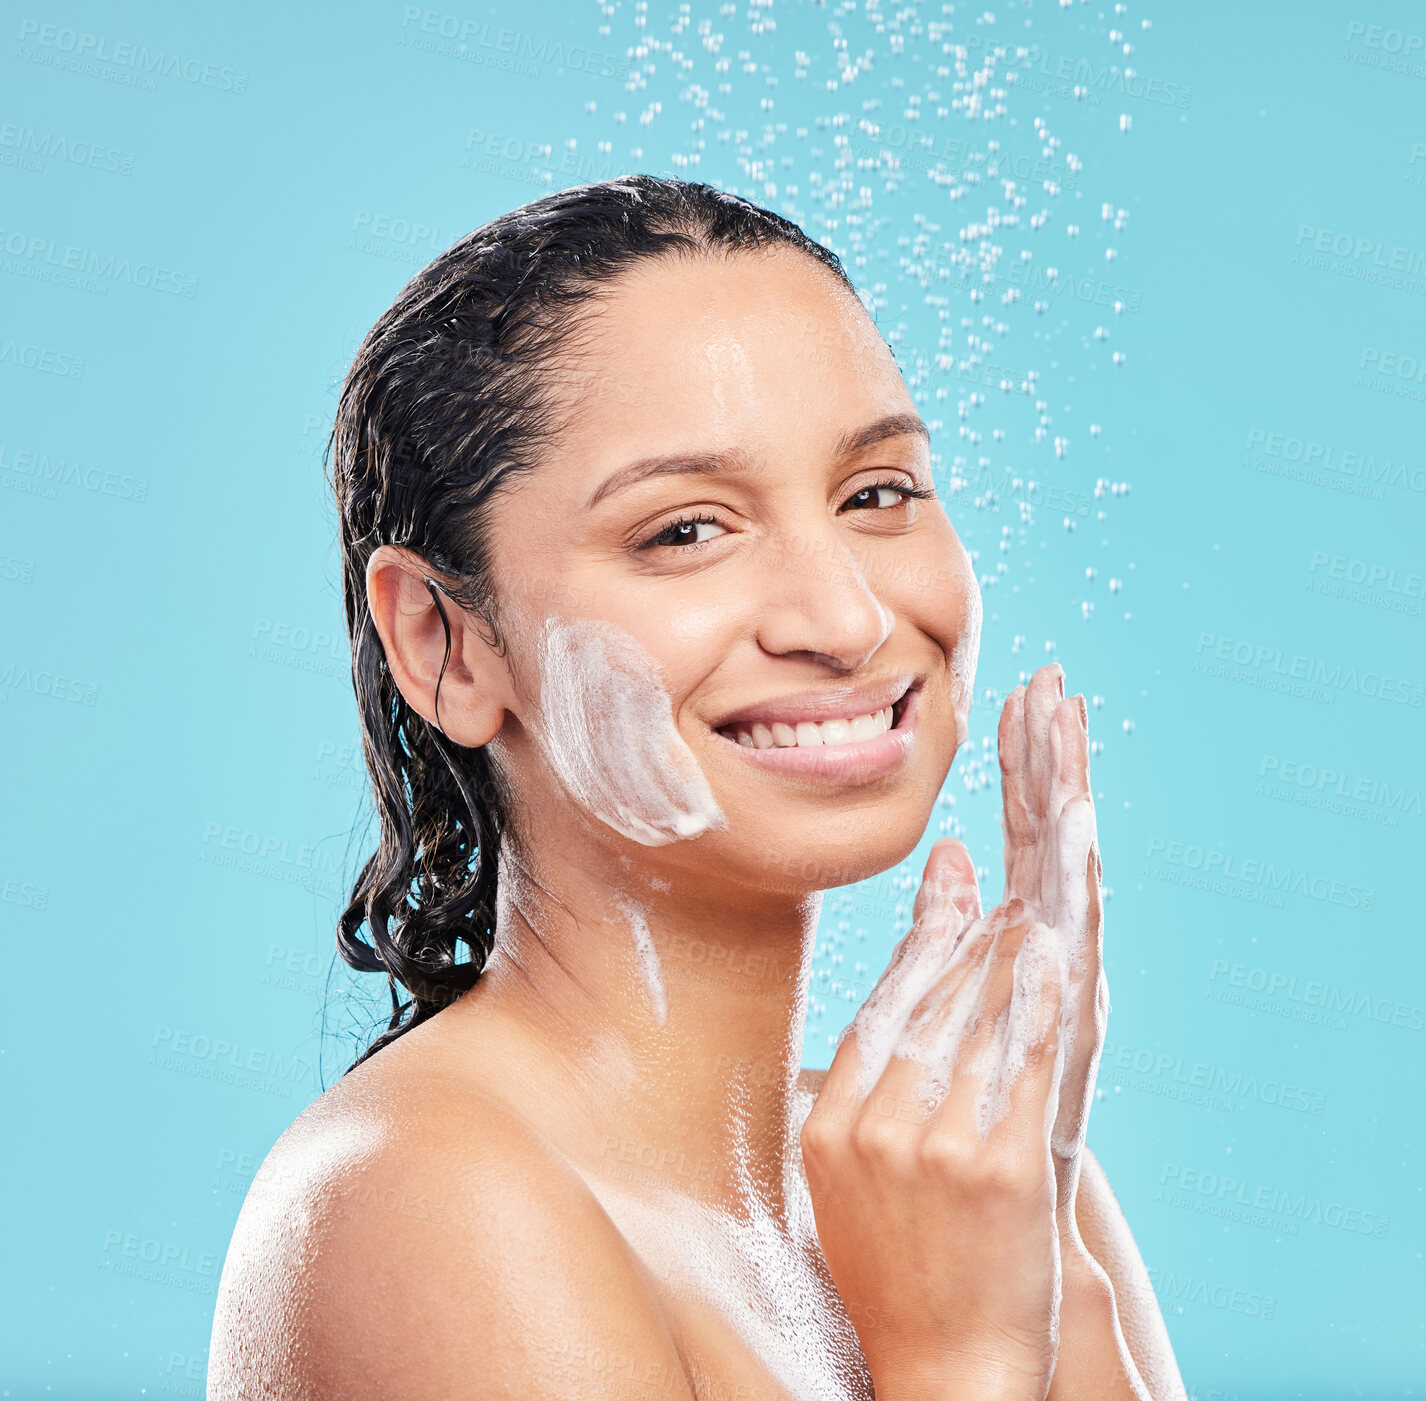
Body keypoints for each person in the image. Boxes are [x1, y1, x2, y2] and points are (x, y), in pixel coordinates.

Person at [209, 174, 1186, 1401]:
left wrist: (1043, 1214)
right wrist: (964, 1355)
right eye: (685, 530)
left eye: (876, 494)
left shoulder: (957, 1184)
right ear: (443, 644)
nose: (845, 616)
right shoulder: (424, 1195)